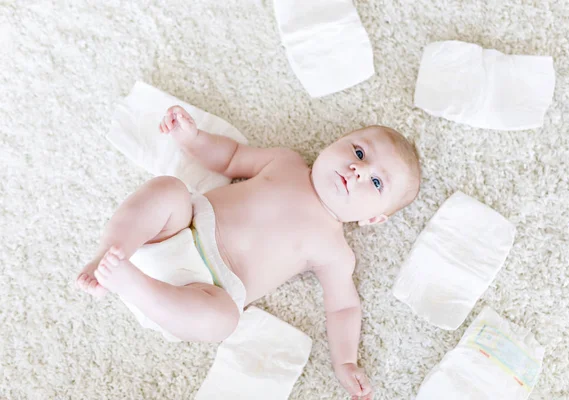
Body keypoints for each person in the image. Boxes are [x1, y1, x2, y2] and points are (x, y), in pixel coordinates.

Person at [76, 105, 421, 400]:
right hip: (179, 229)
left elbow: (344, 307)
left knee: (225, 320)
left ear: (372, 219)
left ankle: (131, 283)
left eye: (376, 183)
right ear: (336, 143)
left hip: (198, 294)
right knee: (169, 189)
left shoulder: (336, 251)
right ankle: (107, 255)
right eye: (359, 152)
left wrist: (346, 360)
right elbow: (231, 158)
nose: (358, 170)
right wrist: (192, 139)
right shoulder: (286, 162)